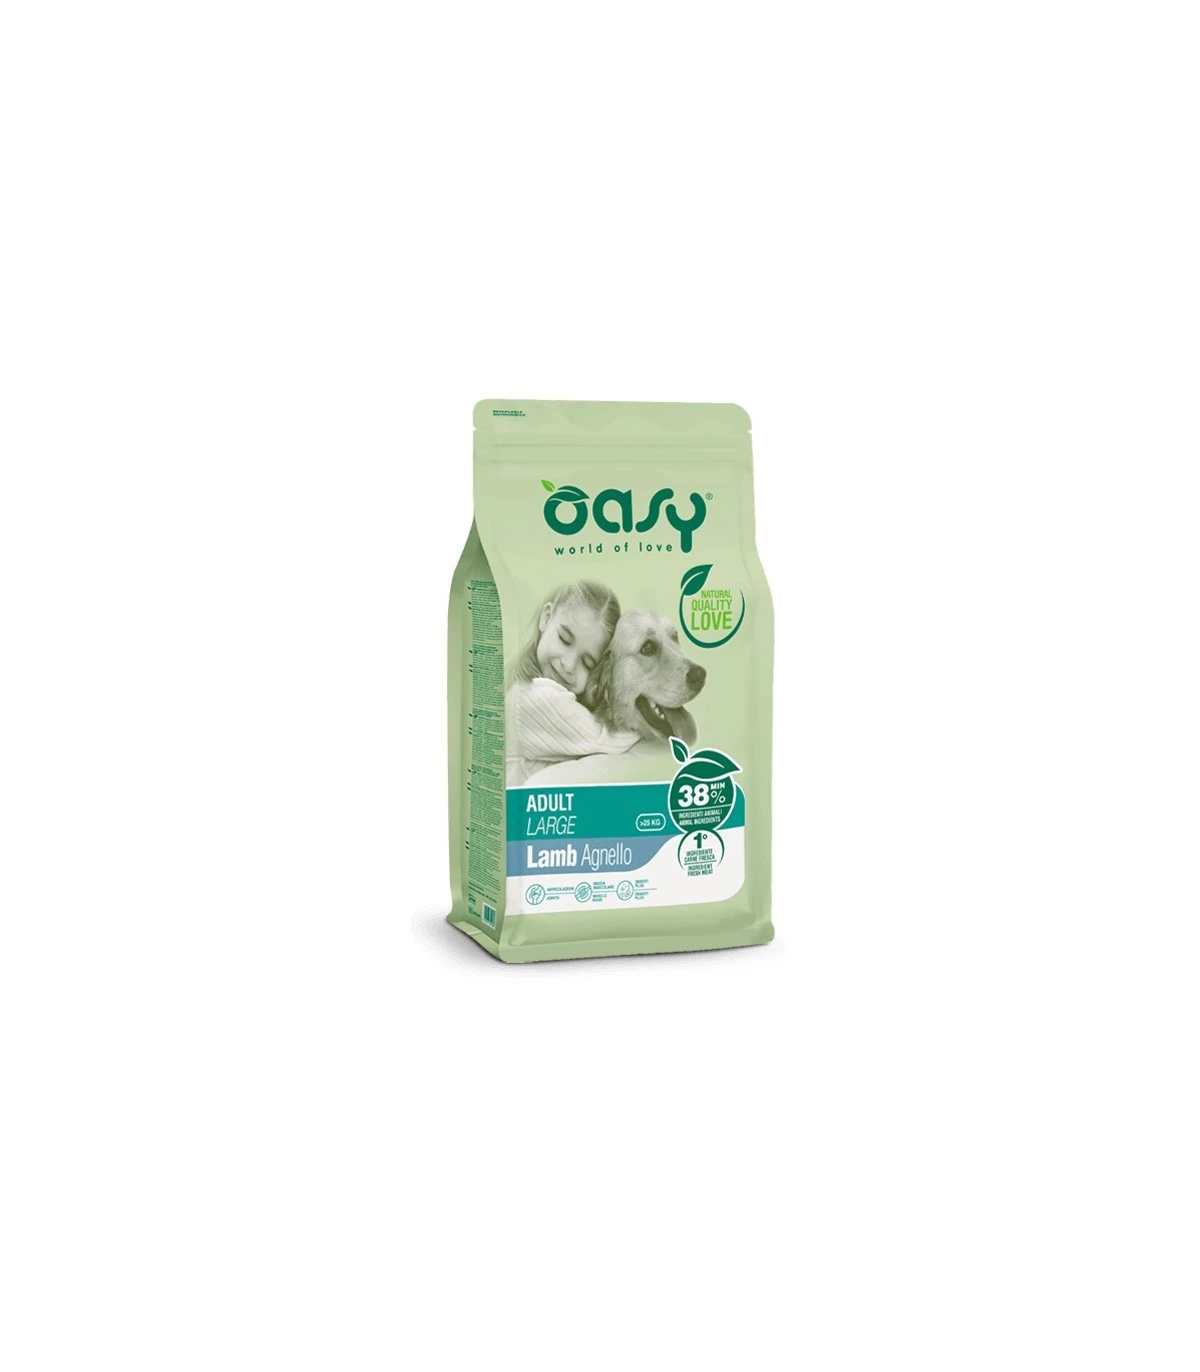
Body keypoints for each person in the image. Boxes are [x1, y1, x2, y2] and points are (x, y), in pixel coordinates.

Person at [505, 581, 638, 784]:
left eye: (587, 663)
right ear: (546, 618)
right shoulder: (531, 697)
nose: (568, 665)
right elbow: (610, 738)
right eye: (565, 639)